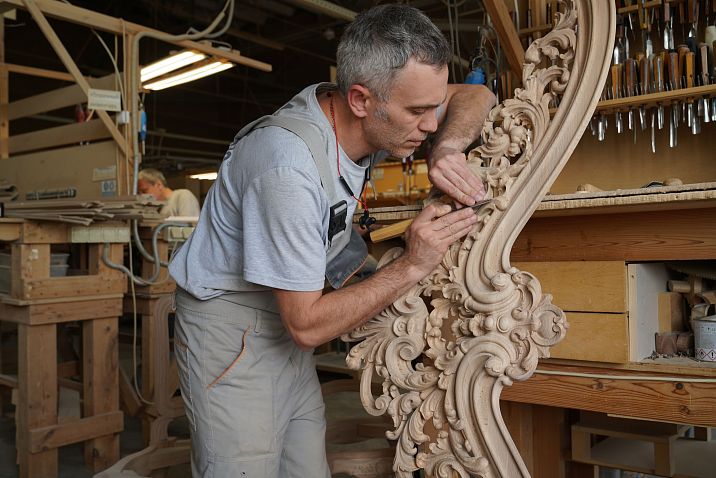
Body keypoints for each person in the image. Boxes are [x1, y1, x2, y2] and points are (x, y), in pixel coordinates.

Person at [168, 4, 496, 477]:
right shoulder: (288, 168)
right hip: (233, 333)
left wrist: (446, 148)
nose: (430, 124)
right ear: (360, 99)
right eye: (418, 112)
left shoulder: (363, 117)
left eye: (433, 108)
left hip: (286, 325)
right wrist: (412, 264)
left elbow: (476, 94)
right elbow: (307, 325)